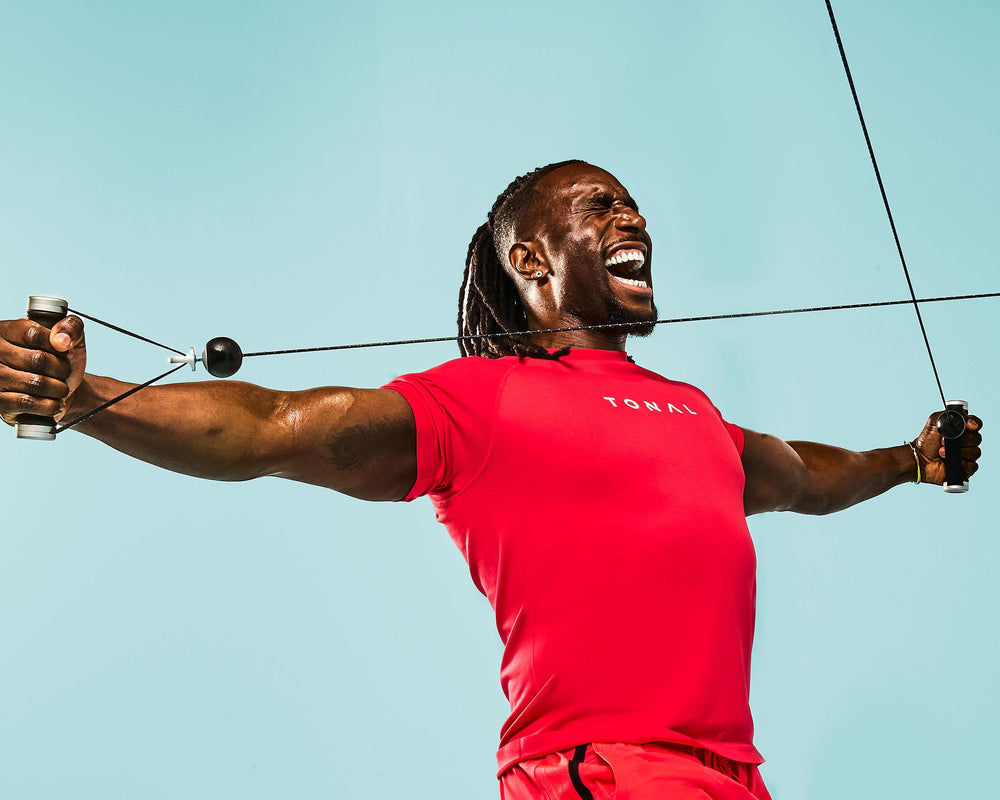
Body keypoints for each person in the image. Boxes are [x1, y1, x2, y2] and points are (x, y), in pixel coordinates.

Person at [0, 160, 983, 799]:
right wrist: (82, 389)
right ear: (530, 260)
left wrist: (908, 459)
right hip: (597, 773)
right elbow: (272, 425)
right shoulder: (482, 404)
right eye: (598, 204)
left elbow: (807, 475)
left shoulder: (700, 422)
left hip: (734, 778)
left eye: (632, 201)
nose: (631, 212)